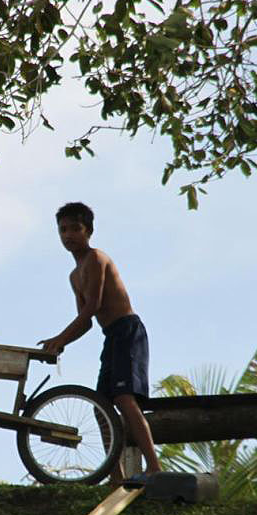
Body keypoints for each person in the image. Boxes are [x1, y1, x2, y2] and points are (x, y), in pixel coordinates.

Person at [38, 202, 162, 487]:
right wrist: (61, 342)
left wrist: (60, 338)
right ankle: (115, 476)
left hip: (128, 331)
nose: (68, 235)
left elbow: (91, 307)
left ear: (89, 231)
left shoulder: (96, 259)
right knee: (100, 406)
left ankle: (154, 466)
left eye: (75, 229)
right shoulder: (74, 276)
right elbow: (86, 322)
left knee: (124, 399)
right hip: (110, 336)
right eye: (63, 230)